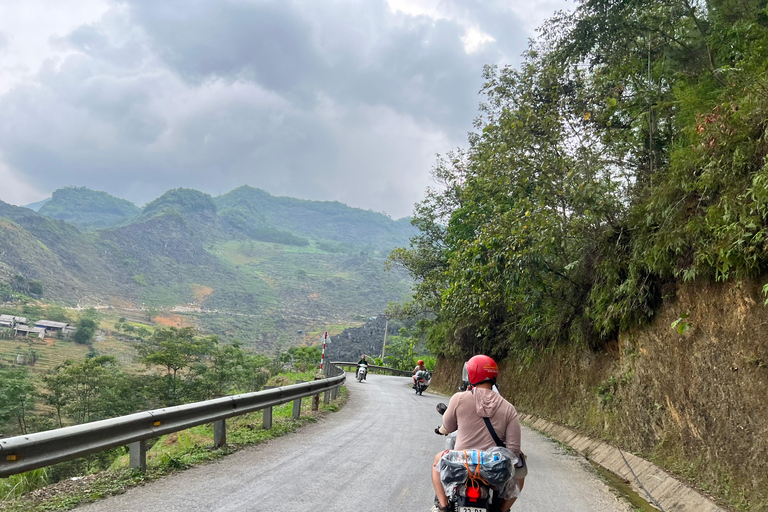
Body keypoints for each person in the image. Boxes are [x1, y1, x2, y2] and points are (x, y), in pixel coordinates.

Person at [430, 355, 524, 512]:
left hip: (460, 463)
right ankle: (503, 510)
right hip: (494, 469)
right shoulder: (508, 408)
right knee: (521, 469)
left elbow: (448, 426)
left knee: (436, 462)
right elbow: (513, 451)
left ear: (471, 374)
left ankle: (444, 507)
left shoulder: (459, 398)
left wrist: (441, 430)